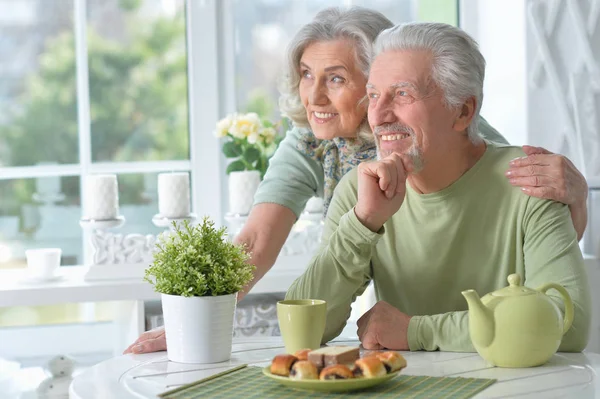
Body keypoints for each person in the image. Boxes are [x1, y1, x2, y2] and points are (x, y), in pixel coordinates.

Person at [123, 7, 589, 355]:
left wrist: (575, 204)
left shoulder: (515, 170)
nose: (314, 95)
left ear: (465, 111)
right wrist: (364, 221)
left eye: (337, 78)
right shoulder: (332, 165)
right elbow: (260, 246)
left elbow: (500, 208)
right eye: (306, 75)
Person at [285, 22, 591, 352]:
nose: (379, 114)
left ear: (463, 111)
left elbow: (567, 324)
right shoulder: (361, 192)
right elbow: (303, 331)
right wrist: (362, 223)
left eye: (402, 94)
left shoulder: (530, 180)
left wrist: (418, 332)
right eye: (373, 95)